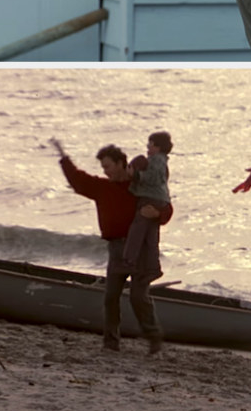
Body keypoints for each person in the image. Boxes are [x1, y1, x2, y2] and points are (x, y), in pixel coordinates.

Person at [50, 139, 172, 354]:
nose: (105, 171)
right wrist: (63, 157)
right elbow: (78, 180)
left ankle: (154, 340)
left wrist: (158, 214)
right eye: (103, 168)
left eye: (107, 166)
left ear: (121, 163)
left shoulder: (140, 186)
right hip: (116, 249)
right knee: (111, 298)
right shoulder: (102, 187)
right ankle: (111, 343)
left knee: (138, 297)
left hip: (141, 250)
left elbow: (166, 204)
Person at [124, 131, 173, 276]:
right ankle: (153, 267)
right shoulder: (161, 161)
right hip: (159, 199)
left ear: (158, 147)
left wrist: (136, 175)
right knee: (151, 236)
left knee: (137, 230)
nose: (147, 147)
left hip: (150, 198)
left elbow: (153, 177)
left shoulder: (156, 160)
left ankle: (129, 261)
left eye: (150, 144)